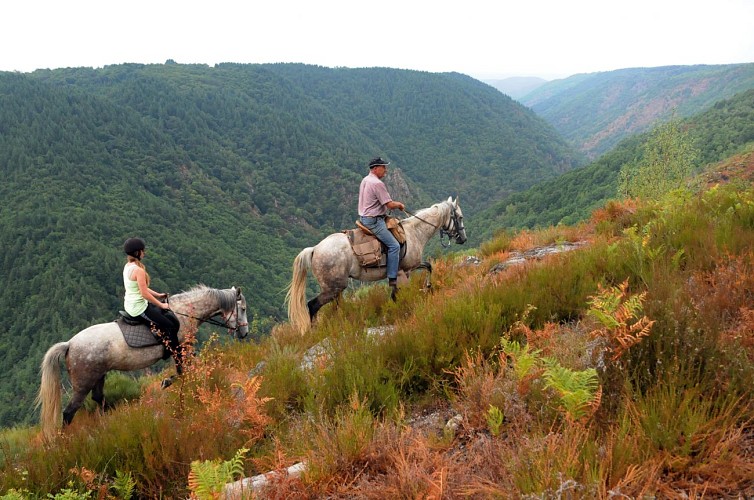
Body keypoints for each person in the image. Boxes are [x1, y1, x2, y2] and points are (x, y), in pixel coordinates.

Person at [122, 237, 183, 375]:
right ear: (137, 253)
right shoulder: (139, 270)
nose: (144, 253)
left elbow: (139, 288)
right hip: (139, 308)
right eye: (142, 251)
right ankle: (177, 358)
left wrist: (158, 295)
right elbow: (143, 293)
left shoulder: (128, 267)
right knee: (170, 325)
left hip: (132, 303)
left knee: (167, 318)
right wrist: (161, 305)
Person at [358, 157, 406, 299]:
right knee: (394, 246)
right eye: (384, 167)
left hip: (364, 217)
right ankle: (392, 279)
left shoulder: (365, 180)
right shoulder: (377, 183)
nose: (386, 170)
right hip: (374, 221)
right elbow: (389, 205)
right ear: (376, 168)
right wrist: (400, 205)